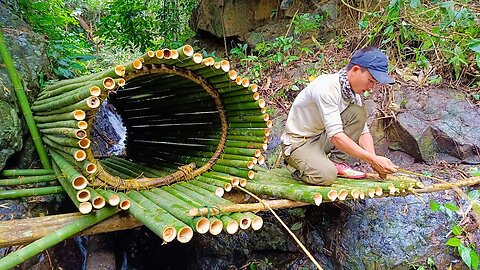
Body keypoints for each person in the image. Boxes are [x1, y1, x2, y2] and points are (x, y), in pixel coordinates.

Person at [281, 47, 399, 186]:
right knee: (326, 176)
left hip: (321, 138)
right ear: (355, 70)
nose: (371, 87)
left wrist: (374, 161)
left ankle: (336, 162)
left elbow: (363, 132)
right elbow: (336, 136)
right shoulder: (327, 88)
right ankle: (299, 168)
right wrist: (373, 160)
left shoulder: (353, 94)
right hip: (299, 143)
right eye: (370, 81)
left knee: (358, 113)